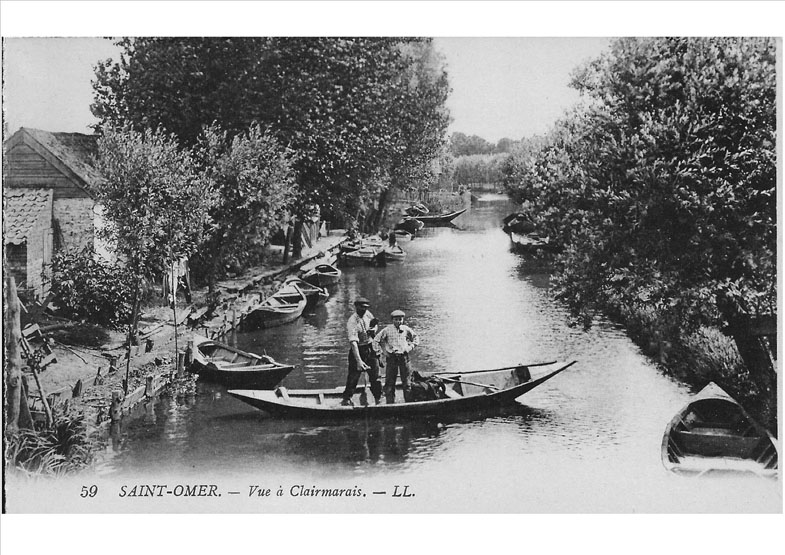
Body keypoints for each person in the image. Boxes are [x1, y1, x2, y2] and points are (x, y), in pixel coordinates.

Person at [341, 297, 383, 406]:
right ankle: (347, 399)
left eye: (365, 307)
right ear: (356, 307)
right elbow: (353, 343)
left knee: (375, 375)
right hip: (358, 349)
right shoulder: (352, 321)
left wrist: (374, 329)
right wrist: (359, 361)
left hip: (370, 347)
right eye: (362, 307)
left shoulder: (368, 314)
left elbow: (375, 325)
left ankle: (378, 398)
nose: (364, 310)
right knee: (353, 376)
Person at [374, 309, 419, 403]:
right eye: (396, 319)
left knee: (407, 382)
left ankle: (409, 403)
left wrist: (410, 347)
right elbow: (376, 340)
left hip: (404, 358)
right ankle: (390, 403)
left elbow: (416, 338)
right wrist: (382, 352)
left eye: (400, 319)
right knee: (390, 382)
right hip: (392, 358)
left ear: (403, 320)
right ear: (392, 320)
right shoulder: (387, 330)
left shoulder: (406, 329)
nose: (398, 321)